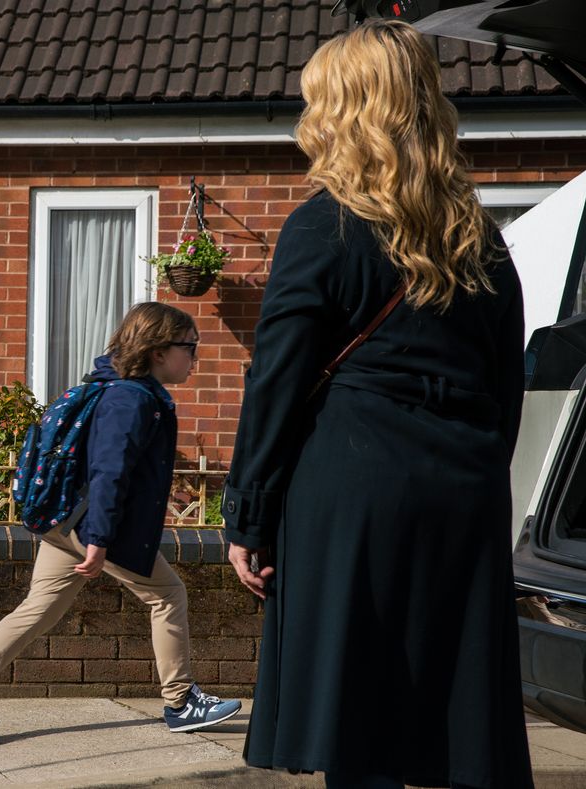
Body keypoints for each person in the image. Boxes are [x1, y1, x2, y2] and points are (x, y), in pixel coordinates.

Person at [223, 20, 533, 789]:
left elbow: (277, 383)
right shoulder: (483, 243)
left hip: (354, 497)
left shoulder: (322, 227)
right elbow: (506, 398)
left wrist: (249, 516)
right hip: (462, 496)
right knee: (458, 729)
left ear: (344, 111)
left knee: (359, 729)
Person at [0, 301, 241, 745]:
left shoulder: (121, 388)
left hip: (67, 523)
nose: (195, 358)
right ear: (158, 350)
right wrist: (98, 540)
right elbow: (108, 470)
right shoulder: (130, 397)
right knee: (168, 595)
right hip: (89, 527)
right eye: (190, 347)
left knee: (41, 608)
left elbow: (121, 469)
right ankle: (181, 701)